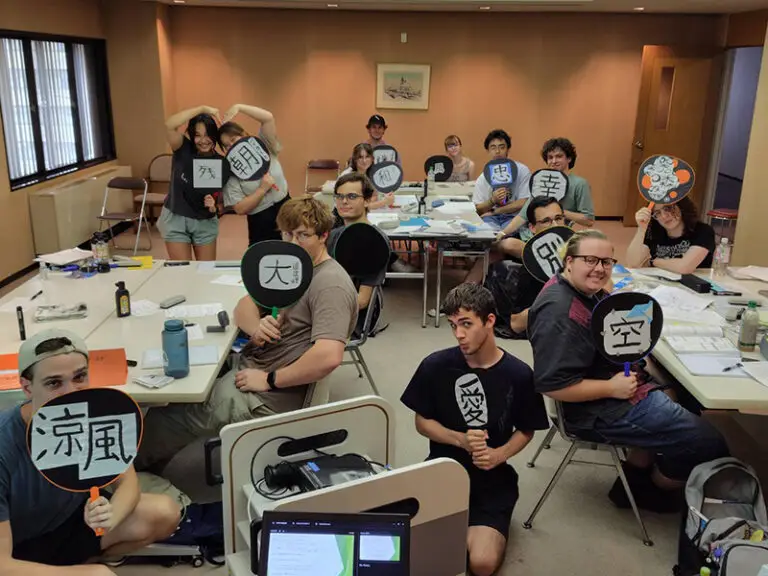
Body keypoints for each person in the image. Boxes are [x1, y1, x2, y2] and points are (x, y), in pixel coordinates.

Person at [135, 196, 358, 472]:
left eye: (303, 235)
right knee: (182, 385)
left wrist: (270, 379)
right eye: (287, 234)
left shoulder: (329, 284)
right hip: (253, 366)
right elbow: (244, 305)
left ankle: (124, 481)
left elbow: (328, 356)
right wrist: (256, 326)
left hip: (269, 395)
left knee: (162, 419)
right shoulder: (295, 268)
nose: (292, 243)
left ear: (323, 236)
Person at [528, 230, 729, 511]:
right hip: (594, 408)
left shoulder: (574, 287)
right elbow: (552, 385)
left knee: (685, 396)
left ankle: (633, 480)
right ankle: (654, 489)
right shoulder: (561, 313)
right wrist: (611, 388)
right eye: (590, 260)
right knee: (709, 442)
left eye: (606, 262)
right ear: (569, 262)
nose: (600, 269)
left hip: (616, 382)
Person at [0, 330, 180, 574]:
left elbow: (127, 484)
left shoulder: (93, 413)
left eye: (79, 377)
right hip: (15, 548)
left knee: (165, 512)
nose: (72, 392)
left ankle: (84, 561)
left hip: (69, 523)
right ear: (27, 387)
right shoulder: (5, 443)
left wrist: (110, 517)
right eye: (54, 383)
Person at [401, 284, 548, 576]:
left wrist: (498, 455)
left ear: (490, 321)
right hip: (442, 471)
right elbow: (421, 422)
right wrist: (459, 440)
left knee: (481, 564)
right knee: (416, 555)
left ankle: (475, 529)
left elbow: (527, 429)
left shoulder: (519, 375)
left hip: (493, 480)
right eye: (453, 325)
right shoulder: (435, 365)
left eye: (467, 324)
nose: (458, 334)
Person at [496, 137, 595, 259]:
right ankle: (471, 279)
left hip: (556, 239)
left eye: (559, 156)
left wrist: (558, 211)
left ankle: (542, 260)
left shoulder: (579, 184)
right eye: (550, 157)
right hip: (529, 235)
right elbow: (522, 216)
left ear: (569, 158)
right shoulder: (540, 181)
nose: (554, 161)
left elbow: (588, 220)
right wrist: (502, 233)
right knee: (494, 247)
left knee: (508, 244)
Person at [484, 197, 567, 338]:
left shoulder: (579, 247)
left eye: (558, 218)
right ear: (532, 228)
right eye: (546, 221)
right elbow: (516, 325)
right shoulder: (528, 271)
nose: (554, 224)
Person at [327, 173, 390, 338]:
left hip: (352, 317)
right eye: (339, 196)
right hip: (328, 305)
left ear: (368, 200)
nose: (344, 201)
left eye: (352, 196)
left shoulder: (375, 240)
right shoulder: (333, 235)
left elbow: (361, 301)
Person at [160, 106, 227, 261]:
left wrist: (214, 206)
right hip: (176, 217)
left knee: (205, 272)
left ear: (214, 136)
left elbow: (220, 203)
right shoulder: (182, 148)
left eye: (208, 135)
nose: (203, 141)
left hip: (204, 221)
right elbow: (169, 125)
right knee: (182, 273)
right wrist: (202, 109)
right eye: (197, 135)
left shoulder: (220, 162)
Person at [218, 104, 289, 246]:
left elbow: (268, 118)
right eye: (226, 146)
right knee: (262, 260)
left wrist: (239, 107)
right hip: (260, 221)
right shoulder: (230, 170)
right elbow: (239, 208)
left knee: (292, 254)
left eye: (233, 139)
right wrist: (261, 190)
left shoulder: (263, 146)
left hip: (287, 210)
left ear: (244, 135)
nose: (232, 146)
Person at [626, 197, 715, 273]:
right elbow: (633, 264)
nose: (664, 216)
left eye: (668, 208)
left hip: (694, 287)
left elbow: (684, 267)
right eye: (657, 213)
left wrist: (654, 262)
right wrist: (641, 229)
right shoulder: (654, 230)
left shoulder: (703, 231)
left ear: (681, 206)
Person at [472, 129, 531, 231]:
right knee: (487, 234)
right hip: (490, 219)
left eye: (502, 147)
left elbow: (524, 202)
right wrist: (492, 201)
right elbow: (477, 209)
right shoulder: (483, 178)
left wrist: (497, 211)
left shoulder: (522, 170)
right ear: (488, 151)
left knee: (508, 234)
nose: (497, 151)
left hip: (514, 217)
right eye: (493, 147)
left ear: (508, 149)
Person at [339, 143, 394, 210]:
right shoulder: (348, 176)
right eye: (360, 157)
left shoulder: (371, 175)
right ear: (355, 159)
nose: (364, 161)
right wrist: (384, 202)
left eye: (367, 156)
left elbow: (374, 196)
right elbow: (358, 207)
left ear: (372, 159)